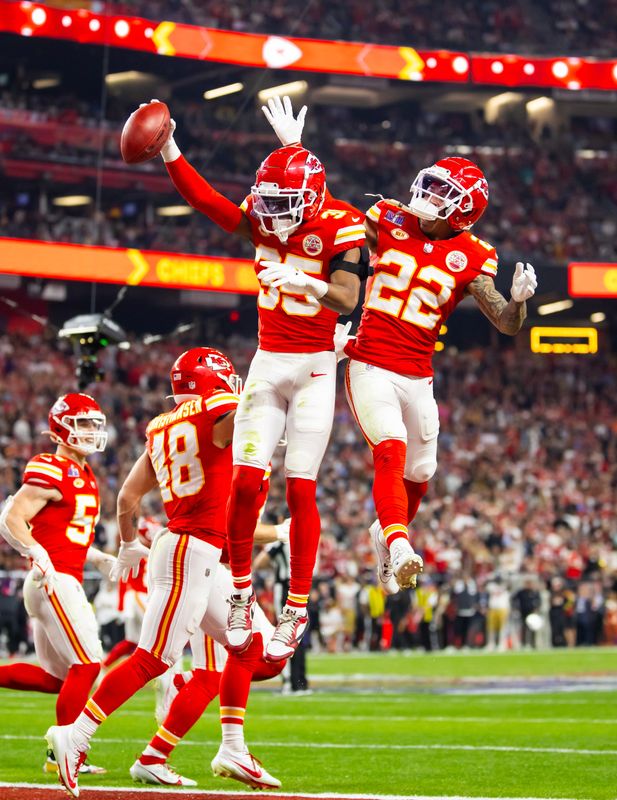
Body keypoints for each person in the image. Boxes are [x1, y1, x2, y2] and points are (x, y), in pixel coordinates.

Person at [263, 96, 537, 594]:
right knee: (390, 448)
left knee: (424, 467)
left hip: (419, 374)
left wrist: (517, 303)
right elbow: (330, 223)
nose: (428, 194)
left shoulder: (474, 255)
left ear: (464, 211)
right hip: (369, 363)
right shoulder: (386, 217)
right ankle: (398, 543)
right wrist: (294, 152)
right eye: (431, 183)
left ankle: (385, 532)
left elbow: (505, 321)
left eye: (442, 191)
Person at [156, 97, 368, 661]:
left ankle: (297, 608)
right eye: (269, 201)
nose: (271, 214)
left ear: (314, 200)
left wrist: (307, 285)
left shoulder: (342, 223)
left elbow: (348, 298)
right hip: (269, 361)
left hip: (316, 365)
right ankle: (243, 594)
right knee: (246, 483)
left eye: (285, 202)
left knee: (300, 486)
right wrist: (171, 150)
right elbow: (211, 204)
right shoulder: (272, 209)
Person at [45, 347, 244, 797]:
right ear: (216, 382)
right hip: (191, 548)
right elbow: (251, 413)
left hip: (196, 552)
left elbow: (126, 499)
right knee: (153, 658)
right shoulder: (217, 411)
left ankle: (222, 748)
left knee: (247, 650)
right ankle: (75, 735)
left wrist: (130, 543)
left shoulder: (162, 426)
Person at [0, 393, 115, 775]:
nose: (89, 431)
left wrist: (99, 557)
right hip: (53, 580)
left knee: (58, 679)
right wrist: (37, 552)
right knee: (88, 665)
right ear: (59, 428)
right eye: (81, 423)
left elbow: (71, 534)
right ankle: (68, 753)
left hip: (61, 576)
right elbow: (12, 518)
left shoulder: (86, 475)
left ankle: (59, 756)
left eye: (93, 424)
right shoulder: (52, 467)